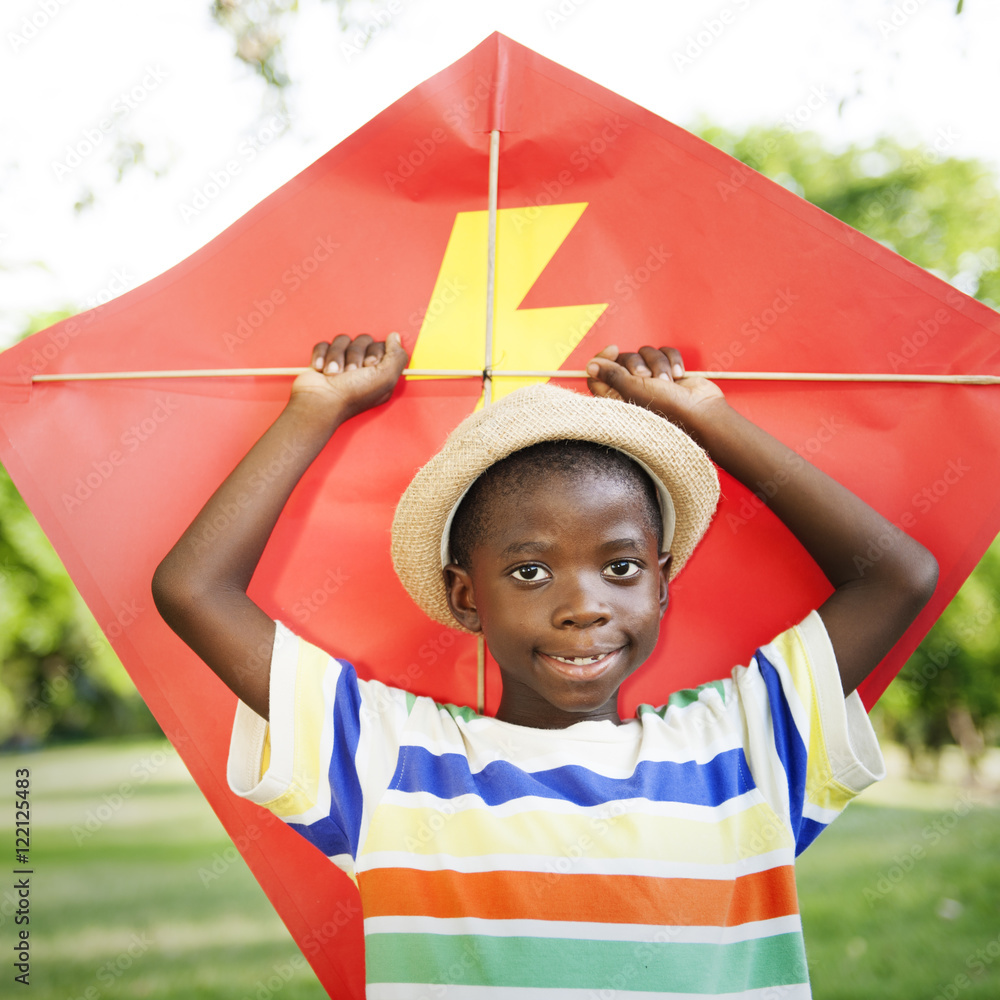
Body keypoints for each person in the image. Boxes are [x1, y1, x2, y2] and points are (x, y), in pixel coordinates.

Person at [152, 332, 938, 998]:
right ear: (467, 597)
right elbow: (193, 590)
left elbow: (896, 576)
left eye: (622, 568)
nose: (584, 605)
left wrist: (704, 419)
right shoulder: (384, 759)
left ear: (663, 585)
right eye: (531, 572)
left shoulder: (741, 748)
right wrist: (314, 408)